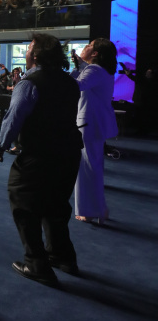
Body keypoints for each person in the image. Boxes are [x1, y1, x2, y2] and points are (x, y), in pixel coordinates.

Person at [0, 33, 82, 286]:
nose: (26, 52)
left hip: (40, 154)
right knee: (56, 206)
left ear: (36, 54)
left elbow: (14, 117)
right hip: (69, 153)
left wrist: (1, 145)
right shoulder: (70, 82)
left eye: (29, 48)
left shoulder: (29, 83)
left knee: (23, 202)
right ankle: (62, 256)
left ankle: (36, 264)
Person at [71, 39, 118, 224]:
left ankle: (91, 211)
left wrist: (75, 68)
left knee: (87, 168)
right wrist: (80, 64)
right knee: (93, 166)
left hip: (88, 123)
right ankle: (98, 209)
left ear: (95, 53)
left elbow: (76, 86)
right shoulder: (101, 70)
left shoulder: (94, 70)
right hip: (95, 123)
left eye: (89, 45)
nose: (85, 47)